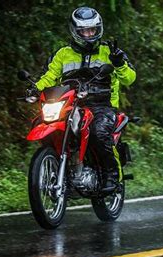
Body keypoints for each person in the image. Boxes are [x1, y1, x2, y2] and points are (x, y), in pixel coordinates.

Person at [35, 6, 136, 189]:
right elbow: (49, 77)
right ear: (75, 31)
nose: (89, 35)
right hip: (69, 103)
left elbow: (130, 78)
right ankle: (56, 168)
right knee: (43, 124)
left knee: (98, 133)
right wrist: (34, 89)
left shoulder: (110, 52)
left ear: (99, 29)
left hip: (102, 105)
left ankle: (111, 175)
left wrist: (119, 63)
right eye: (84, 31)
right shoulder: (62, 54)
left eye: (93, 30)